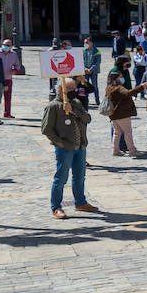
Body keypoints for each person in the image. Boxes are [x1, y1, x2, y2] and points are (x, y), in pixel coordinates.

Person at [41, 77, 99, 219]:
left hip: (80, 145)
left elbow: (87, 119)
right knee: (61, 177)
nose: (74, 92)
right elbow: (46, 129)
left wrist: (73, 111)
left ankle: (80, 202)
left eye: (74, 89)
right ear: (61, 90)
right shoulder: (53, 106)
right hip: (65, 146)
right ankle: (56, 207)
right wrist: (57, 142)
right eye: (70, 89)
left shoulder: (76, 102)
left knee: (80, 176)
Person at [104, 71, 146, 157]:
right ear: (116, 78)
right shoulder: (118, 88)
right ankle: (132, 150)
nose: (122, 78)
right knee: (127, 132)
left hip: (113, 114)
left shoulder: (108, 87)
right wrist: (141, 87)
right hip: (122, 114)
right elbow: (128, 93)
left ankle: (115, 150)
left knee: (117, 132)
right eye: (121, 77)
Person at [0, 39, 24, 118]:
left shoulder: (13, 54)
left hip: (8, 78)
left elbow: (17, 65)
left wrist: (15, 71)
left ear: (11, 46)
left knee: (8, 97)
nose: (6, 46)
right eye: (5, 44)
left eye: (8, 45)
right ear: (2, 44)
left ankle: (7, 113)